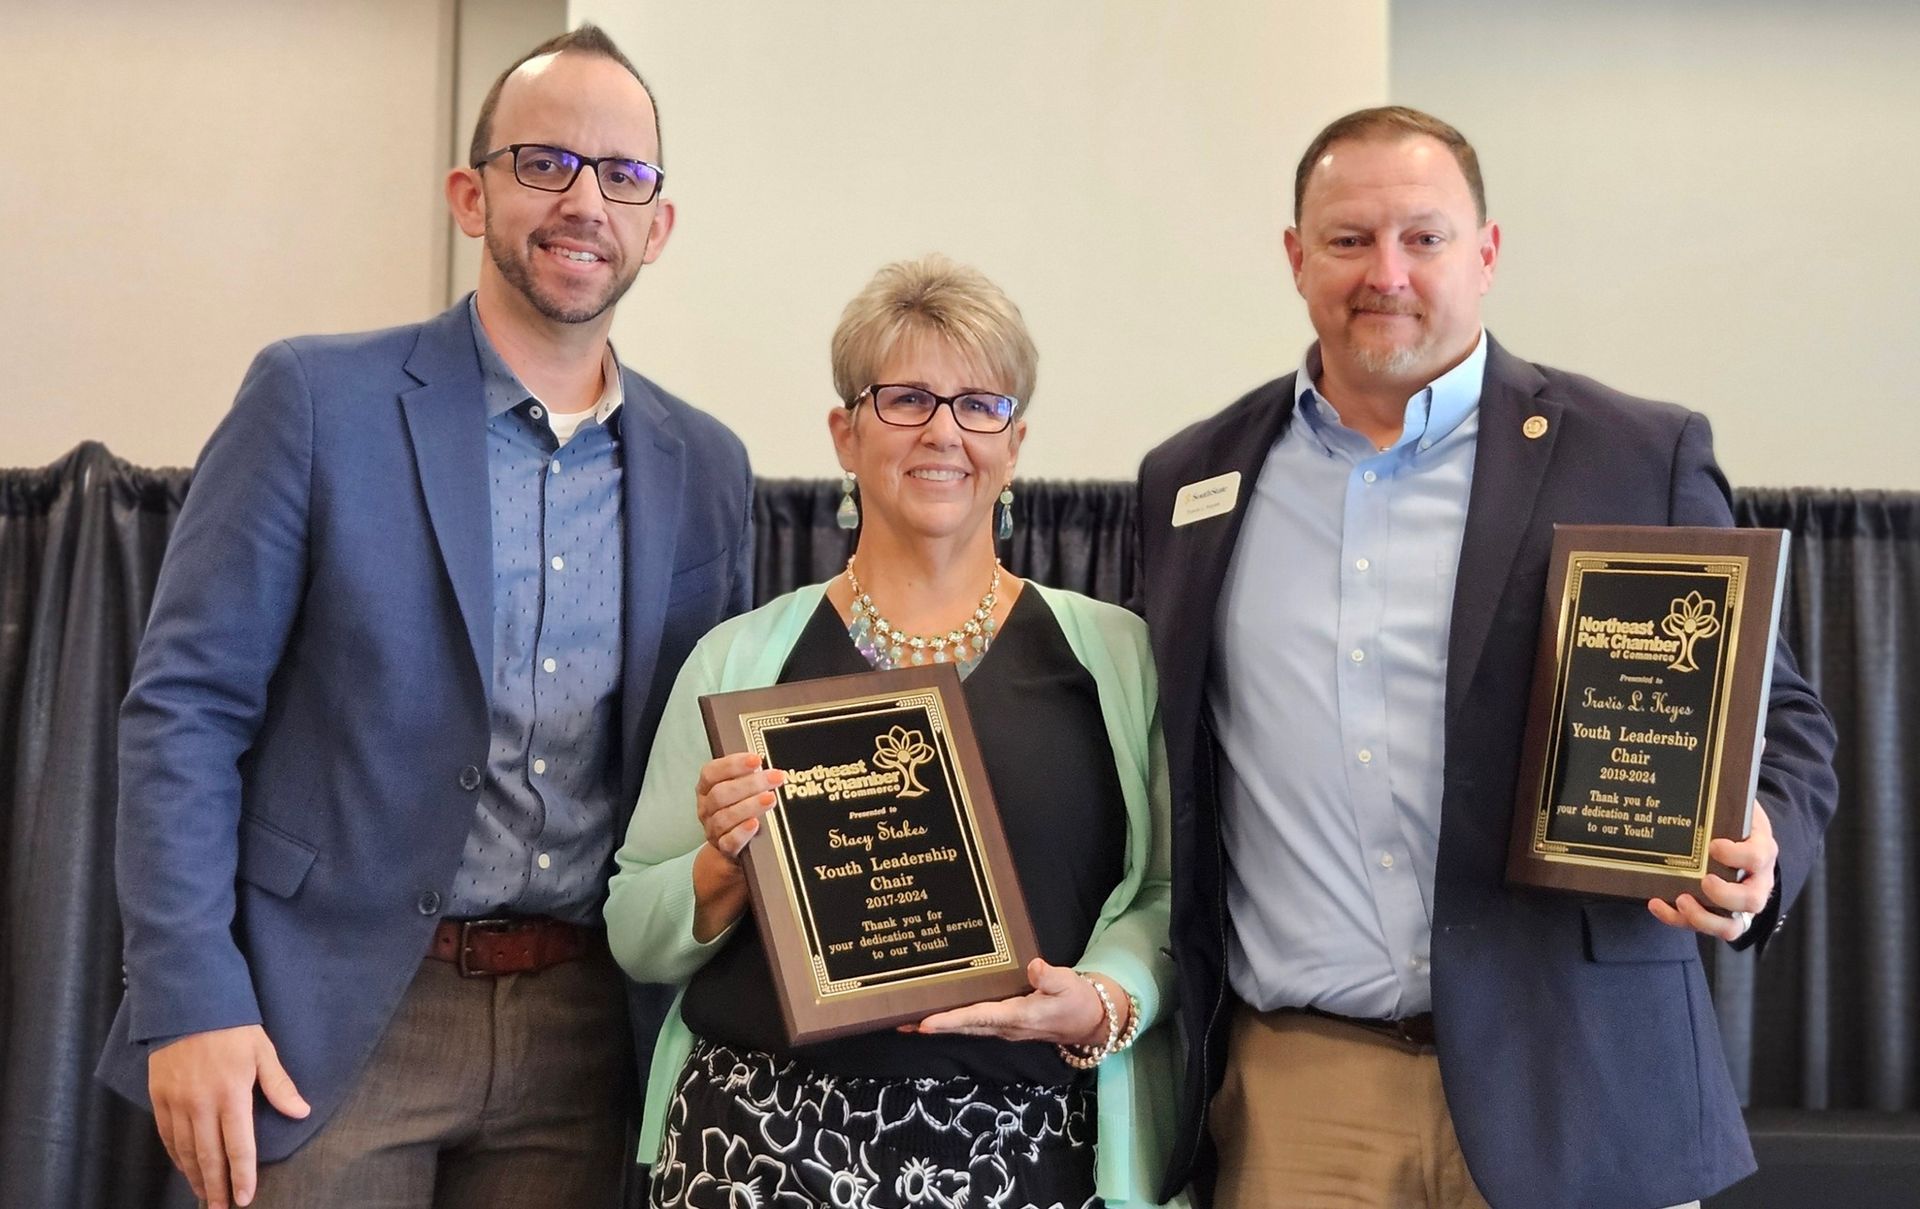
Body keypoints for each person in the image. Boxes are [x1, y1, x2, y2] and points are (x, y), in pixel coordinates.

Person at [95, 24, 753, 1209]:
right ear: (472, 193)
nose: (584, 201)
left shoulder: (705, 466)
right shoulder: (313, 400)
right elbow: (183, 716)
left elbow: (701, 761)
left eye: (623, 174)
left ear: (659, 225)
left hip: (586, 1031)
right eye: (544, 163)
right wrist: (190, 997)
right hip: (327, 1024)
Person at [1135, 106, 1838, 1209]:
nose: (1388, 273)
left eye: (1425, 237)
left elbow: (1782, 720)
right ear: (1294, 256)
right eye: (1349, 240)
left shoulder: (1634, 453)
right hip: (1301, 1094)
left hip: (1579, 1072)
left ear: (1488, 252)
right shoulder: (1189, 481)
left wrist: (1764, 835)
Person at [606, 255, 1180, 1209]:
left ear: (1016, 439)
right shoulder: (738, 661)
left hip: (1028, 1151)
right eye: (906, 398)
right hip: (760, 1149)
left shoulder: (1116, 658)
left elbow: (1165, 893)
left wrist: (1108, 999)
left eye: (978, 403)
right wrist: (722, 866)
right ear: (846, 432)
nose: (944, 431)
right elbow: (634, 929)